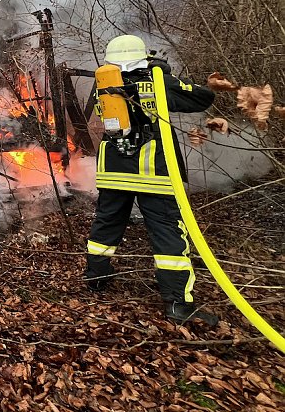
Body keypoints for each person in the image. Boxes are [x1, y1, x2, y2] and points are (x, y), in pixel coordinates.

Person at [85, 35, 219, 325]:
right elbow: (202, 97)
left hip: (112, 167)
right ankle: (178, 304)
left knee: (107, 223)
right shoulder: (157, 79)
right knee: (168, 231)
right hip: (153, 170)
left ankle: (95, 278)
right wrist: (165, 72)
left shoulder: (103, 82)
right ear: (143, 57)